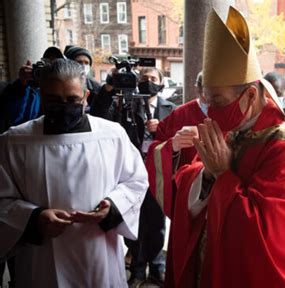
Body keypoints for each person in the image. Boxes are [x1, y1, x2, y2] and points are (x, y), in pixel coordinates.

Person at [166, 7, 285, 287]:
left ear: (249, 95)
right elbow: (191, 176)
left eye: (219, 101)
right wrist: (207, 175)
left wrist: (223, 175)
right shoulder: (230, 129)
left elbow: (272, 241)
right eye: (207, 101)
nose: (211, 112)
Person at [0, 59, 148, 287]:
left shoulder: (111, 135)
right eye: (53, 100)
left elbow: (136, 181)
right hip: (42, 259)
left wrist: (112, 207)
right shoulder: (15, 141)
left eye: (72, 100)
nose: (64, 106)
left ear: (86, 96)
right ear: (41, 94)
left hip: (99, 253)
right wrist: (33, 218)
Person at [126, 67, 176, 287]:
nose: (148, 82)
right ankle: (137, 268)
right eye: (144, 78)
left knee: (157, 222)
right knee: (136, 222)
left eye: (153, 79)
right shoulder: (127, 106)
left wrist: (161, 131)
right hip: (133, 173)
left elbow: (176, 143)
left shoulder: (171, 110)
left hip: (159, 173)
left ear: (161, 82)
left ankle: (157, 267)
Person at [145, 71, 207, 217]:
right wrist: (172, 146)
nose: (212, 97)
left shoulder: (231, 115)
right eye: (207, 90)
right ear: (197, 89)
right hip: (187, 194)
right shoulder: (179, 115)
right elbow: (156, 149)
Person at [0, 46, 64, 133]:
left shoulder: (67, 94)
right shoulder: (32, 92)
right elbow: (15, 119)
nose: (50, 72)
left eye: (55, 66)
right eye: (47, 64)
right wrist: (22, 85)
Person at [64, 45, 101, 110]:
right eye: (79, 62)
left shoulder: (95, 87)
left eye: (86, 63)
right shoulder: (61, 85)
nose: (83, 66)